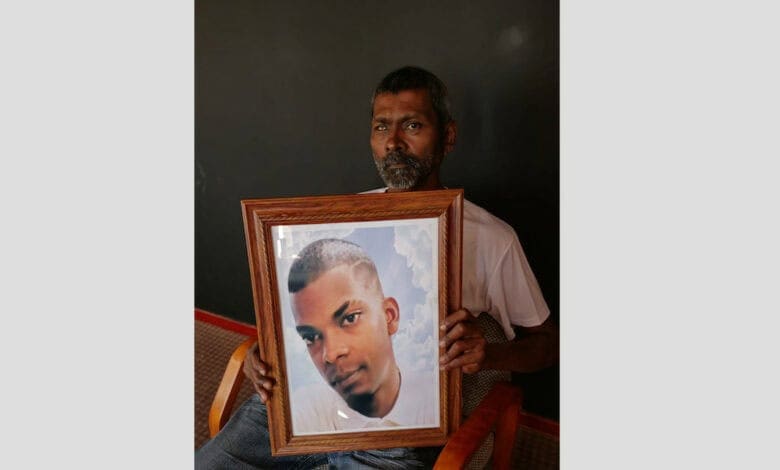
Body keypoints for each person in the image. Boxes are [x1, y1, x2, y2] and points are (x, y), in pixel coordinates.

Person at [196, 65, 559, 469]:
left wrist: (488, 354)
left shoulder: (491, 238)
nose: (393, 143)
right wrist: (264, 352)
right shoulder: (342, 219)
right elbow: (295, 321)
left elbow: (548, 344)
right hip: (298, 416)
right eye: (382, 127)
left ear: (448, 136)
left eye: (413, 125)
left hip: (397, 436)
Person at [287, 238, 437, 433]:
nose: (330, 354)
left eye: (350, 319)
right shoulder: (304, 413)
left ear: (389, 317)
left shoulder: (437, 399)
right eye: (311, 337)